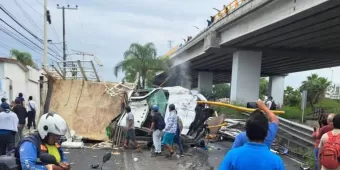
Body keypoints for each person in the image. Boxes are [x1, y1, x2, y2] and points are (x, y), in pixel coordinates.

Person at [219, 109, 284, 170]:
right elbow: (275, 120)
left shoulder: (232, 156)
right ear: (267, 133)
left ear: (246, 133)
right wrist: (263, 106)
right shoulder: (276, 161)